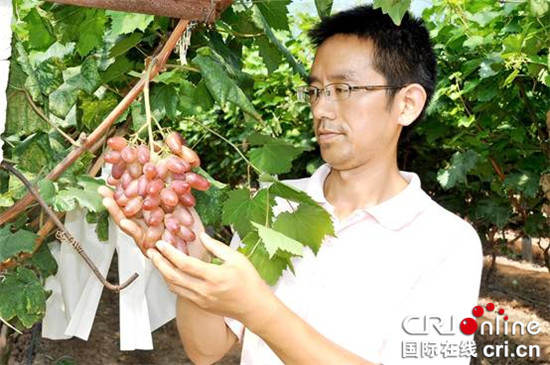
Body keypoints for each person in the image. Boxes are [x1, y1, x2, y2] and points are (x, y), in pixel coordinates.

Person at [100, 5, 483, 364]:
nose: (321, 108)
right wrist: (194, 259)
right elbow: (207, 349)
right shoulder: (273, 204)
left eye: (344, 89)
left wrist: (260, 311)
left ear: (407, 104)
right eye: (316, 91)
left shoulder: (448, 243)